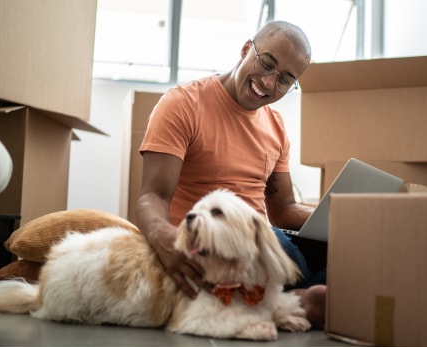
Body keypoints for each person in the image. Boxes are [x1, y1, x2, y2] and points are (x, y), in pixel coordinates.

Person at [135, 20, 326, 329]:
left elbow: (284, 210)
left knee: (336, 254)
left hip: (260, 242)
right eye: (266, 64)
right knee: (281, 248)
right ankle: (298, 302)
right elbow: (152, 196)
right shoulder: (183, 104)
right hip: (212, 243)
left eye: (284, 79)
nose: (268, 83)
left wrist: (338, 219)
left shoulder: (276, 126)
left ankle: (298, 299)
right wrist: (161, 236)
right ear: (246, 49)